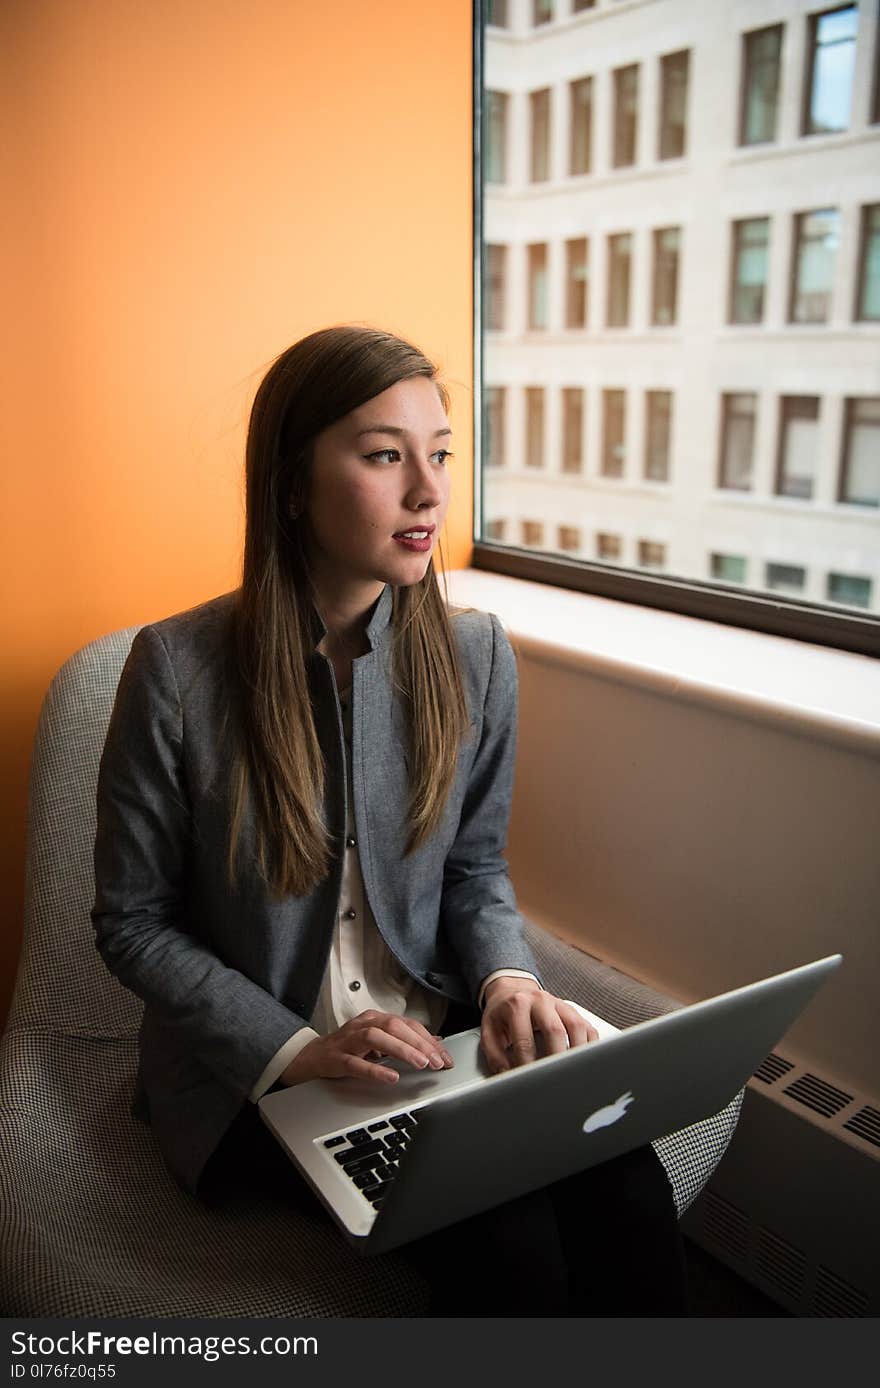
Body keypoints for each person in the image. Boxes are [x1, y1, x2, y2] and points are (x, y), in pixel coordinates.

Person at [92, 324, 687, 1316]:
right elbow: (132, 921)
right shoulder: (174, 670)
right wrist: (293, 1050)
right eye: (384, 454)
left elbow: (473, 868)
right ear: (292, 481)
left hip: (433, 1037)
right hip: (263, 1073)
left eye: (440, 453)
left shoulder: (475, 654)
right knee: (517, 1255)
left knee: (627, 1186)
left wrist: (503, 975)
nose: (428, 490)